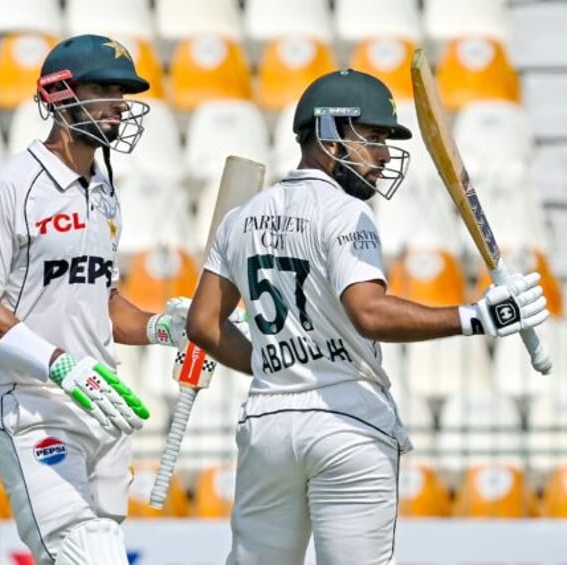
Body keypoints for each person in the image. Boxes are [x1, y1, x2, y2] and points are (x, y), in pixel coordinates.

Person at [184, 68, 550, 565]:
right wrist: (474, 318)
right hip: (346, 422)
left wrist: (275, 365)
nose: (382, 155)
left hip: (268, 423)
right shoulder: (347, 213)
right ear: (331, 135)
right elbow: (369, 313)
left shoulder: (241, 216)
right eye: (372, 137)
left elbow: (203, 325)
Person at [0, 34, 190, 565]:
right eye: (105, 89)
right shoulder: (9, 187)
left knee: (94, 549)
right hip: (33, 406)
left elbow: (99, 299)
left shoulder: (104, 190)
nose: (119, 103)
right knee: (87, 552)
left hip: (101, 405)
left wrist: (162, 328)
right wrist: (60, 367)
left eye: (124, 91)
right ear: (60, 96)